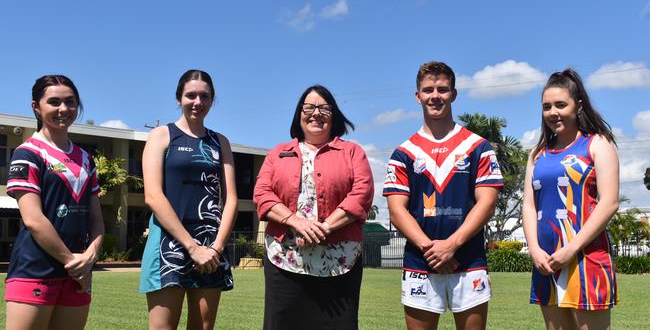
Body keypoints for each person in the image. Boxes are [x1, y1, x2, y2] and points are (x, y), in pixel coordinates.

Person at [384, 61, 503, 330]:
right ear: (418, 96)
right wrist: (432, 249)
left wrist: (451, 245)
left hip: (469, 261)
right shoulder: (403, 152)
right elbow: (396, 211)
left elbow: (488, 203)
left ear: (454, 94)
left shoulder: (477, 146)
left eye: (442, 89)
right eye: (428, 90)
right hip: (420, 263)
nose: (435, 95)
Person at [254, 84, 374, 330]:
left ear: (334, 115)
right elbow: (262, 194)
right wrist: (297, 222)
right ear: (299, 114)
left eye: (323, 108)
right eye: (308, 107)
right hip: (284, 262)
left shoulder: (353, 152)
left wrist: (324, 228)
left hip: (340, 263)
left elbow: (361, 194)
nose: (316, 113)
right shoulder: (277, 154)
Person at [139, 69, 238, 330]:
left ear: (212, 100)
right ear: (178, 98)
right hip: (168, 245)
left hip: (211, 248)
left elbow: (231, 200)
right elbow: (153, 196)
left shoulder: (221, 142)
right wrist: (191, 248)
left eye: (204, 96)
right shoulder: (161, 135)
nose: (197, 102)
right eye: (191, 95)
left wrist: (214, 248)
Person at [5, 75, 105, 330]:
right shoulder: (27, 153)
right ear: (36, 107)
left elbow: (96, 220)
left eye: (70, 102)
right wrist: (73, 262)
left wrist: (90, 257)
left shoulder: (86, 159)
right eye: (54, 102)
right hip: (35, 271)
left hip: (78, 275)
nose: (63, 109)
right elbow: (33, 219)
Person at [522, 69, 619, 329]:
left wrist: (570, 249)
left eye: (560, 105)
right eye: (547, 107)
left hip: (587, 259)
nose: (553, 112)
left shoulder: (598, 143)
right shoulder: (537, 154)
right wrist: (534, 250)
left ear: (579, 106)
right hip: (546, 262)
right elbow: (529, 205)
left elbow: (609, 202)